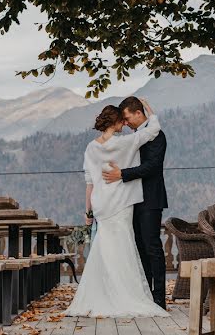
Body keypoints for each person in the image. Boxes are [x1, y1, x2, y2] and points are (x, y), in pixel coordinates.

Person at [65, 99, 169, 318]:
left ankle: (151, 297)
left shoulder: (93, 147)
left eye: (128, 117)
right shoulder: (125, 142)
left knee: (136, 248)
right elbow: (151, 130)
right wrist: (153, 115)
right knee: (131, 250)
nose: (126, 123)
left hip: (123, 202)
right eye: (123, 120)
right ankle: (135, 294)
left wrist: (89, 211)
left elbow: (90, 182)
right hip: (123, 204)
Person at [102, 96, 168, 309]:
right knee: (139, 248)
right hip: (133, 200)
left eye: (128, 117)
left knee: (152, 247)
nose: (126, 122)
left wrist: (122, 174)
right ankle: (145, 296)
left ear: (139, 114)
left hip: (150, 198)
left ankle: (159, 298)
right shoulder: (138, 135)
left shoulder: (157, 135)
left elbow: (152, 167)